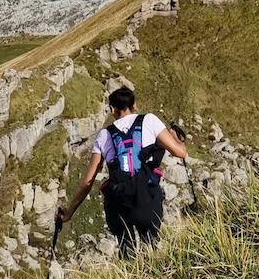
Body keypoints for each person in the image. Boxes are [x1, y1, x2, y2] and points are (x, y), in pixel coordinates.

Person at [56, 86, 187, 259]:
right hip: (146, 199)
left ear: (112, 109)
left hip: (118, 204)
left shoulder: (104, 135)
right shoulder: (149, 120)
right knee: (152, 249)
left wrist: (69, 213)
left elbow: (87, 182)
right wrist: (177, 138)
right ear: (135, 105)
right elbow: (180, 152)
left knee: (127, 253)